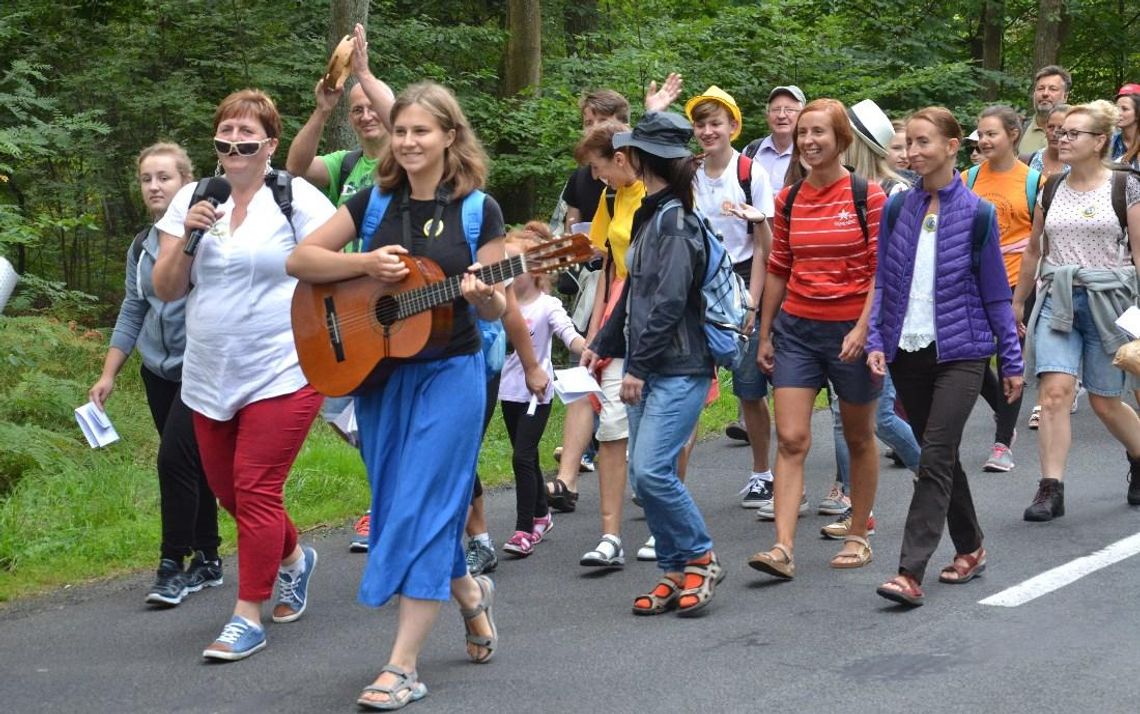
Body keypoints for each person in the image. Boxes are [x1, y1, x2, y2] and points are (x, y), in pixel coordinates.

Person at [286, 81, 503, 709]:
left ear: (449, 137)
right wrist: (363, 265)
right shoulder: (375, 199)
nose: (408, 142)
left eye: (421, 132)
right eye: (401, 131)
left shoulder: (477, 209)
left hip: (451, 376)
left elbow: (496, 302)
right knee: (397, 500)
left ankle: (401, 665)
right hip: (379, 377)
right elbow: (300, 261)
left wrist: (484, 292)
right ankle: (467, 593)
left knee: (424, 507)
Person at [152, 90, 336, 660]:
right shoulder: (191, 198)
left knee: (256, 488)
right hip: (209, 374)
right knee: (230, 492)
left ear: (270, 144)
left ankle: (245, 614)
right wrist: (190, 235)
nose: (234, 140)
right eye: (225, 130)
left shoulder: (294, 195)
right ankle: (294, 559)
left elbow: (335, 260)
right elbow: (165, 289)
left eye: (246, 132)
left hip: (283, 367)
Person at [868, 107, 1024, 607]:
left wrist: (1013, 360)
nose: (912, 152)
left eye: (923, 142)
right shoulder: (898, 207)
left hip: (963, 351)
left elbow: (996, 292)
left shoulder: (978, 211)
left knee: (933, 455)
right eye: (908, 143)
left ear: (953, 145)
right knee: (943, 458)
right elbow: (884, 282)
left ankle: (909, 572)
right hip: (906, 350)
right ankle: (972, 547)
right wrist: (876, 338)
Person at [583, 111, 723, 616]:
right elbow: (631, 290)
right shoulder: (648, 215)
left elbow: (666, 302)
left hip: (680, 366)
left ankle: (701, 556)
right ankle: (673, 569)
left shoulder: (676, 222)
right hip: (650, 362)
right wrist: (603, 340)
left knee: (651, 470)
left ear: (642, 160)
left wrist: (637, 366)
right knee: (646, 477)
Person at [748, 98, 886, 580]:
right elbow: (779, 268)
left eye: (819, 132)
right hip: (797, 332)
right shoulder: (787, 200)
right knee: (791, 438)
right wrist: (765, 333)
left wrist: (864, 329)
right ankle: (782, 547)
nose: (808, 141)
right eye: (803, 132)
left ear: (841, 138)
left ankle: (858, 534)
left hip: (851, 331)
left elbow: (879, 271)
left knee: (858, 436)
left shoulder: (868, 196)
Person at [88, 142, 221, 607]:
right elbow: (133, 308)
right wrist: (109, 374)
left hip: (199, 370)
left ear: (186, 182)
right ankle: (209, 556)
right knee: (194, 464)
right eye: (146, 178)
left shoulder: (208, 236)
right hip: (156, 372)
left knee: (172, 460)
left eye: (164, 177)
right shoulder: (141, 246)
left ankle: (172, 566)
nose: (154, 186)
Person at [546, 77, 683, 512]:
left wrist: (653, 111)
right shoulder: (609, 193)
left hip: (657, 304)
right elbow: (603, 258)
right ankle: (583, 490)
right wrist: (598, 326)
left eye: (599, 125)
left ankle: (659, 491)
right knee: (606, 396)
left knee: (656, 399)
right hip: (617, 303)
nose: (596, 173)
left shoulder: (656, 193)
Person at [285, 24, 395, 553]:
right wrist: (324, 109)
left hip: (397, 298)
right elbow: (294, 168)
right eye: (357, 111)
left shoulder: (402, 156)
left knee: (384, 407)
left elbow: (399, 115)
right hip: (349, 307)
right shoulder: (347, 165)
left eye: (369, 106)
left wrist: (366, 75)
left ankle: (387, 505)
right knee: (338, 405)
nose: (366, 114)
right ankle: (389, 492)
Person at [1013, 100, 1140, 522]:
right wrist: (1017, 302)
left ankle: (1139, 457)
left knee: (1105, 402)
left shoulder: (1126, 188)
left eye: (1073, 133)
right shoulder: (1049, 186)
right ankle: (1051, 488)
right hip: (1058, 299)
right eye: (1061, 132)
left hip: (1111, 301)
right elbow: (1034, 248)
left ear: (1099, 141)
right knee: (1054, 394)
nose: (1062, 138)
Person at [808, 99, 919, 541]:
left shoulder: (895, 194)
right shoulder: (833, 189)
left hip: (881, 321)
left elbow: (898, 266)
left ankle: (934, 475)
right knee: (844, 416)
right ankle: (859, 511)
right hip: (838, 320)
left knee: (881, 417)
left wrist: (876, 323)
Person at [682, 86, 777, 512]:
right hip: (699, 280)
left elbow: (764, 245)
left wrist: (753, 305)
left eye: (715, 123)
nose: (707, 131)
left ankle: (762, 474)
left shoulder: (750, 172)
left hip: (742, 279)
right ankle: (672, 481)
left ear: (733, 126)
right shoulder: (688, 171)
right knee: (688, 383)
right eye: (700, 124)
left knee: (749, 387)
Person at [498, 222, 587, 558]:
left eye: (511, 264)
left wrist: (588, 347)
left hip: (538, 393)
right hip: (507, 393)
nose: (503, 272)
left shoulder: (546, 305)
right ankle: (541, 515)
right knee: (528, 457)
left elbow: (568, 333)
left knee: (521, 457)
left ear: (533, 269)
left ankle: (523, 530)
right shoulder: (500, 305)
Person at [964, 104, 1044, 472]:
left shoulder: (1034, 182)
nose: (983, 140)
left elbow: (1037, 242)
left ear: (1013, 134)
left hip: (1015, 283)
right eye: (980, 134)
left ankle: (1002, 443)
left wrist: (1021, 298)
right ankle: (1005, 411)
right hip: (974, 281)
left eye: (991, 133)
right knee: (974, 360)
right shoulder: (967, 179)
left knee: (1010, 357)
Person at [742, 85, 806, 193]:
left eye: (789, 110)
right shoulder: (751, 151)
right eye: (775, 110)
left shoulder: (808, 152)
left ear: (803, 115)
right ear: (767, 116)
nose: (781, 115)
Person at [1019, 65, 1072, 155]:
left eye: (1053, 89)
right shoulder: (1020, 129)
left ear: (1065, 96)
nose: (1045, 93)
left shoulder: (1077, 132)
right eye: (1040, 88)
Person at [1113, 84, 1140, 168]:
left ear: (1138, 114)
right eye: (1116, 108)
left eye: (1124, 109)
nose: (1118, 113)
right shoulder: (1110, 142)